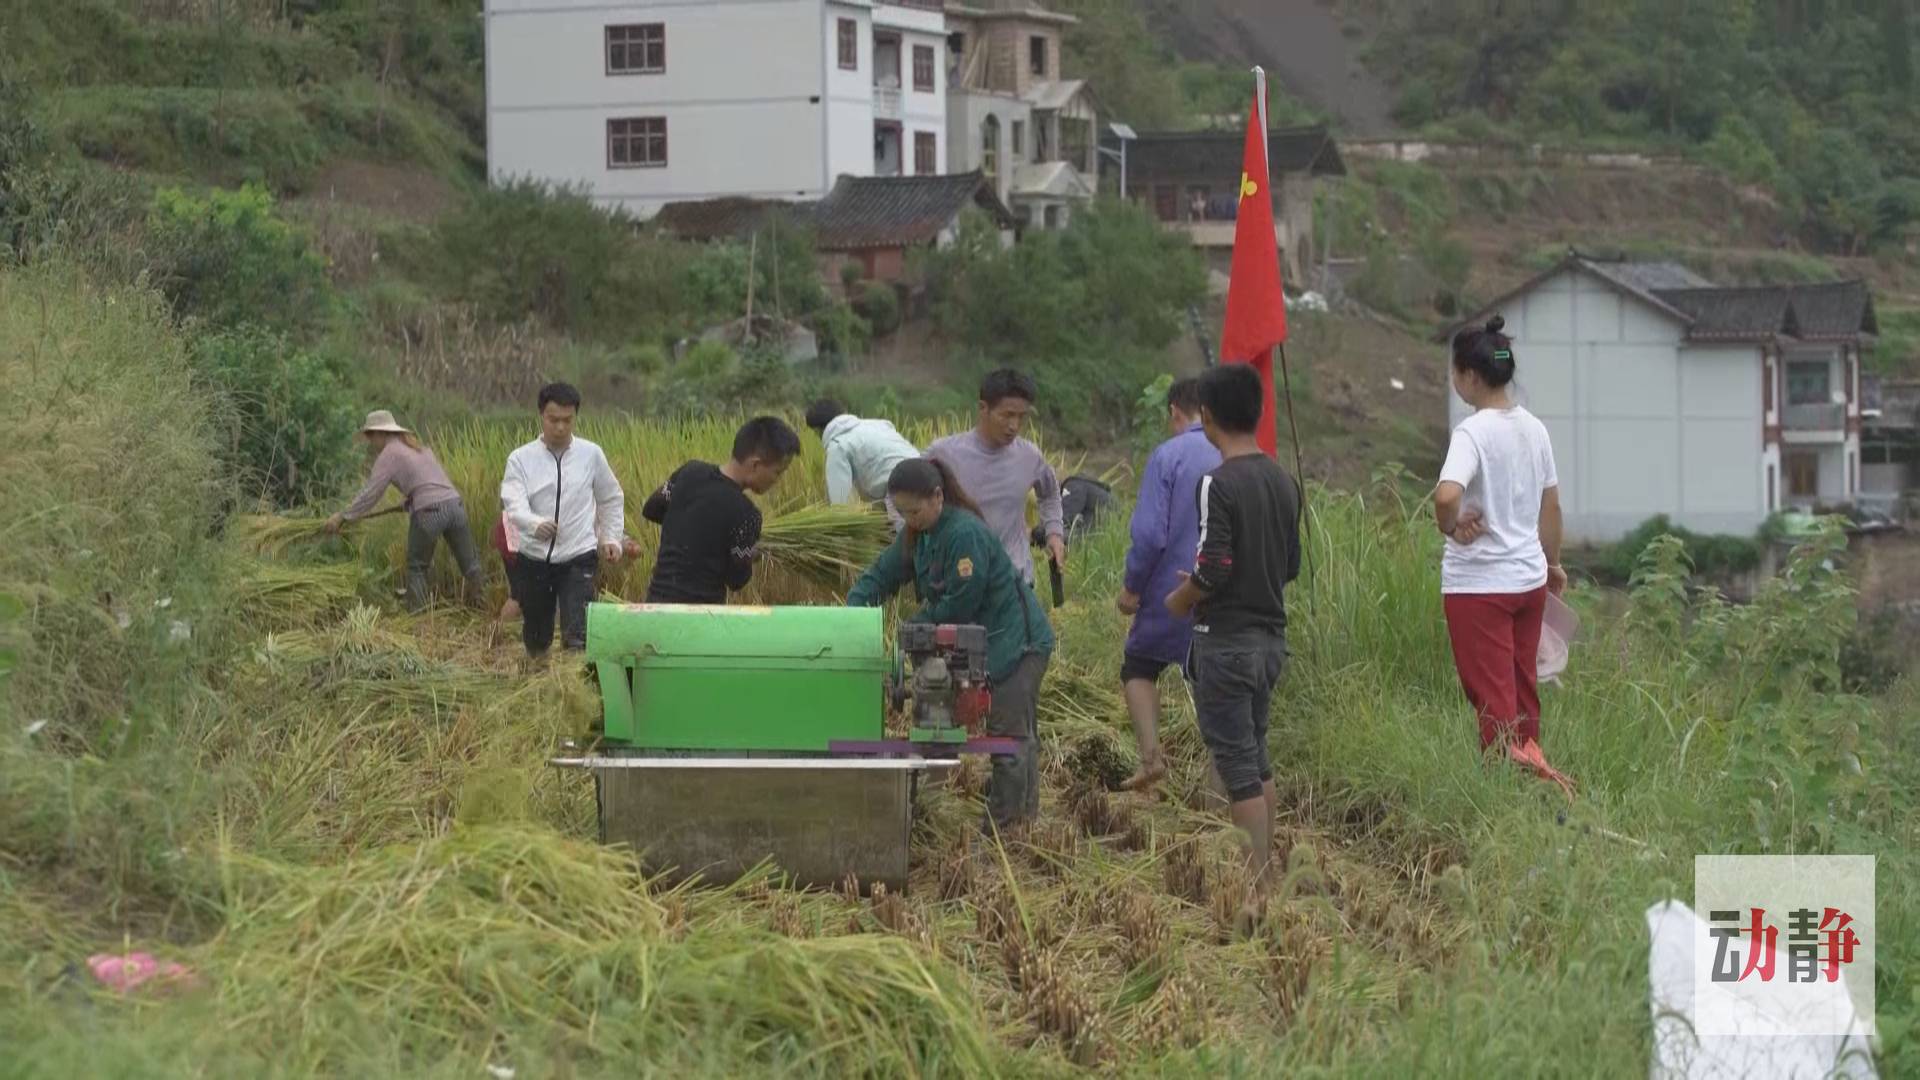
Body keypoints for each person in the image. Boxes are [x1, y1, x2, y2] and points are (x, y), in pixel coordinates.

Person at [847, 458, 1054, 835]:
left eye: (915, 509)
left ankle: (1008, 830)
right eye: (902, 511)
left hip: (1015, 644)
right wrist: (852, 613)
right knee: (935, 722)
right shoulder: (918, 536)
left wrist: (917, 624)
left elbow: (962, 603)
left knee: (1010, 737)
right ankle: (930, 808)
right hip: (971, 646)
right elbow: (882, 574)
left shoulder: (964, 534)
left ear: (938, 497)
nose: (910, 518)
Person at [1164, 364, 1301, 919]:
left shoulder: (1216, 483)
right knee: (1258, 757)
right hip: (1271, 642)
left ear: (1208, 418)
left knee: (1238, 766)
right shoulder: (1283, 481)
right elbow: (1288, 564)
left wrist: (1184, 598)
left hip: (1227, 642)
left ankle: (1258, 887)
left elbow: (1214, 564)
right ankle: (1267, 875)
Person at [1431, 316, 1571, 792]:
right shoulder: (1534, 429)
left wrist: (1449, 526)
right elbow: (1551, 505)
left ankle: (1506, 796)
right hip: (1528, 582)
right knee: (1521, 691)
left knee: (1492, 701)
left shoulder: (1473, 433)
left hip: (1480, 587)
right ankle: (1532, 781)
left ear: (1470, 376)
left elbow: (1447, 496)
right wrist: (1551, 565)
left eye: (1456, 372)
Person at [1115, 377, 1221, 792]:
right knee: (1216, 685)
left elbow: (1149, 534)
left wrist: (1132, 587)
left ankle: (1151, 757)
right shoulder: (1235, 454)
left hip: (1169, 588)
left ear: (1175, 411)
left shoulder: (1169, 455)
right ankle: (1218, 789)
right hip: (1224, 590)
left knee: (1139, 666)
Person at [500, 382, 626, 658]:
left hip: (578, 555)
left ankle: (575, 688)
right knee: (537, 635)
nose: (560, 427)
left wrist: (611, 537)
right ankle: (538, 679)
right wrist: (534, 523)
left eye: (567, 420)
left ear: (575, 418)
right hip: (534, 557)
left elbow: (611, 498)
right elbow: (513, 502)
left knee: (577, 633)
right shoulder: (520, 459)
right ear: (541, 416)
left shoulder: (591, 454)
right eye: (553, 420)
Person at [326, 410, 484, 614]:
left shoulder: (389, 454)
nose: (371, 442)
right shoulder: (419, 448)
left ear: (380, 434)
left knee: (417, 567)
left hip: (429, 513)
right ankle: (485, 607)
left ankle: (418, 618)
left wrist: (343, 516)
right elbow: (432, 483)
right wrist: (410, 501)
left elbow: (370, 492)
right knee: (470, 564)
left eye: (370, 436)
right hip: (455, 506)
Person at [927, 368, 1065, 587]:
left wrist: (1054, 533)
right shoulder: (945, 453)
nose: (1014, 426)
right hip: (960, 579)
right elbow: (903, 490)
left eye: (1022, 417)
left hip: (1015, 579)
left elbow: (1049, 494)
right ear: (983, 409)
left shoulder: (1029, 456)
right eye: (1007, 415)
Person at [642, 416, 801, 604]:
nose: (777, 480)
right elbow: (736, 579)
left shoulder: (689, 472)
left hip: (656, 605)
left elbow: (652, 508)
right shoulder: (747, 515)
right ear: (755, 464)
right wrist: (753, 553)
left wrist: (688, 528)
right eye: (777, 472)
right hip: (701, 617)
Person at [804, 398, 921, 527]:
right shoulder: (879, 425)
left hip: (900, 487)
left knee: (909, 543)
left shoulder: (838, 446)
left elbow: (841, 505)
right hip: (927, 474)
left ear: (819, 431)